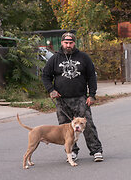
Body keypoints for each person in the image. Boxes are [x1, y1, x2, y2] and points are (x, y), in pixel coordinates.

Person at [42, 32, 104, 162]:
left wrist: (92, 95)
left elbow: (92, 77)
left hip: (80, 99)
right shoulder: (54, 59)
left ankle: (96, 151)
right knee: (66, 128)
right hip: (62, 100)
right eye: (66, 43)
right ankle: (72, 152)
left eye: (70, 43)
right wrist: (51, 90)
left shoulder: (83, 57)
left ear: (74, 43)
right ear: (62, 43)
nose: (68, 45)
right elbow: (45, 75)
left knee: (88, 126)